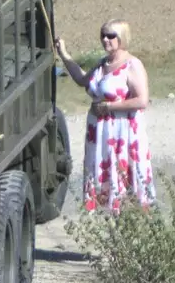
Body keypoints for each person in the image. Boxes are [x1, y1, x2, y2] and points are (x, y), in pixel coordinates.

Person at [55, 19, 155, 213]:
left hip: (123, 133)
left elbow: (142, 100)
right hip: (100, 134)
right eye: (103, 35)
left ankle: (132, 224)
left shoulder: (132, 65)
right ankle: (116, 224)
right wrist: (63, 54)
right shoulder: (102, 64)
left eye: (111, 36)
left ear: (122, 38)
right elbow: (82, 80)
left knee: (126, 182)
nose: (105, 39)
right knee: (106, 183)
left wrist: (110, 106)